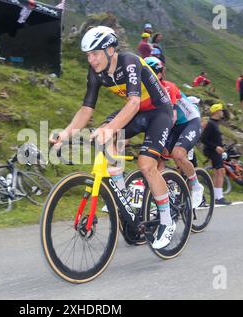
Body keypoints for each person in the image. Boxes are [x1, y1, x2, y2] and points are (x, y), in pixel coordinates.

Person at [50, 26, 176, 249]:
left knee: (146, 165)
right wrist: (66, 133)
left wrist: (110, 130)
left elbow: (134, 102)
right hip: (136, 112)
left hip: (158, 111)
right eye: (88, 55)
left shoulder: (129, 61)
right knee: (107, 137)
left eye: (95, 53)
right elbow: (86, 109)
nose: (91, 59)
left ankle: (167, 220)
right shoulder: (96, 73)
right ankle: (123, 197)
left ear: (110, 50)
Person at [145, 57, 204, 209]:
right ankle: (163, 194)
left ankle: (196, 186)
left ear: (159, 74)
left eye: (151, 73)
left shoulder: (167, 87)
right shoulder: (147, 93)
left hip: (190, 122)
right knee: (157, 159)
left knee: (178, 155)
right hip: (173, 126)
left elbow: (172, 117)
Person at [200, 104, 232, 205]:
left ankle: (216, 196)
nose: (222, 112)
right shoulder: (211, 123)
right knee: (220, 171)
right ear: (216, 112)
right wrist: (216, 147)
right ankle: (219, 197)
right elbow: (203, 139)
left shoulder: (215, 123)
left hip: (215, 151)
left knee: (218, 172)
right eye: (221, 110)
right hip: (213, 151)